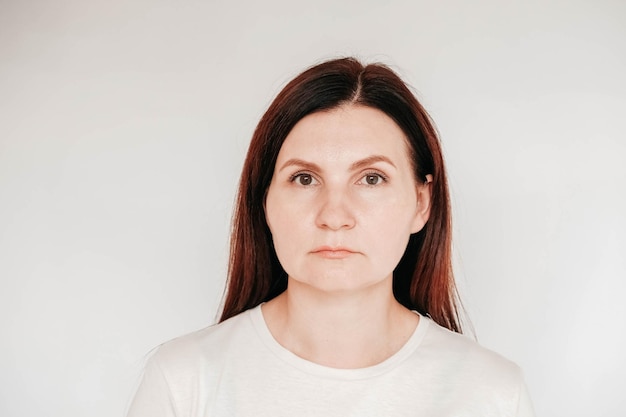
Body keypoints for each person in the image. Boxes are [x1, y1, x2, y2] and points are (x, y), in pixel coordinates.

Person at [127, 57, 535, 417]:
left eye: (371, 179)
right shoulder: (183, 381)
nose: (334, 216)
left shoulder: (492, 393)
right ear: (264, 201)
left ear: (421, 203)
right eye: (304, 179)